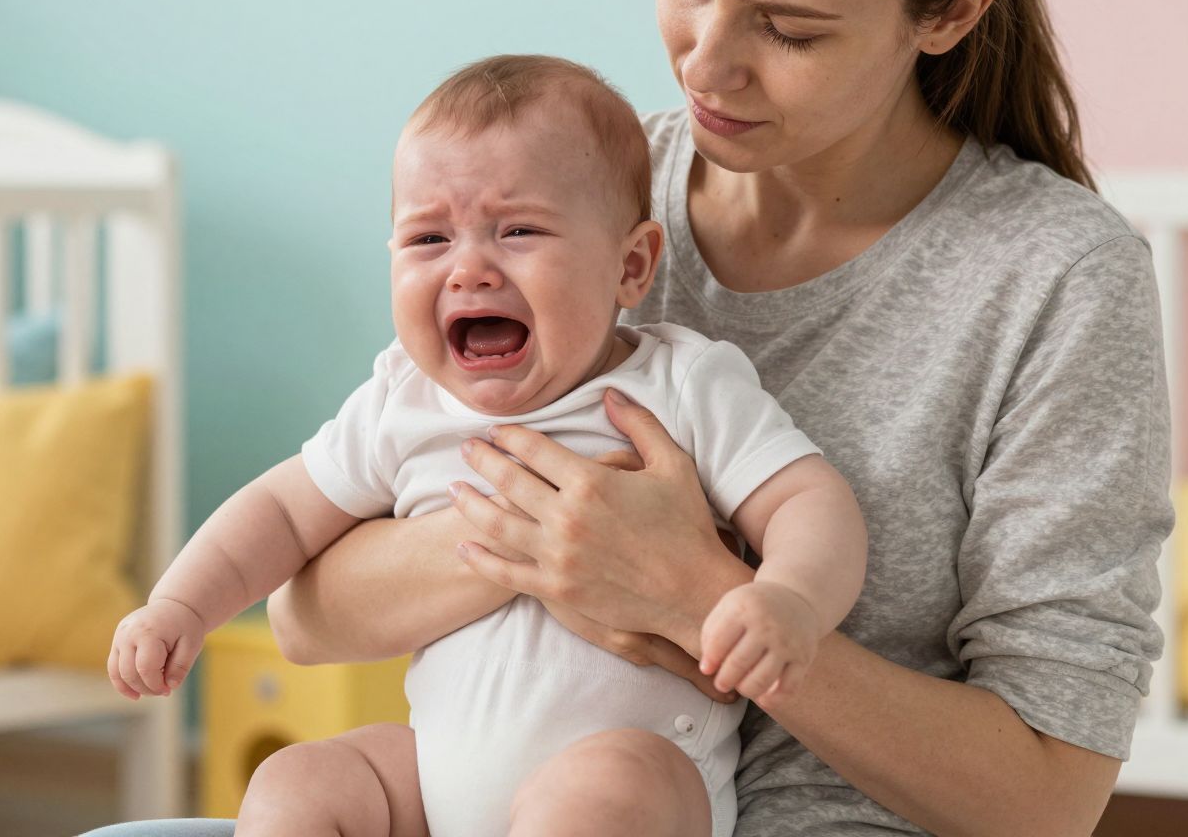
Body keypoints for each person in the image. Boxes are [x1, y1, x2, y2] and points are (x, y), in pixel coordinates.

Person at [86, 0, 1171, 836]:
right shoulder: (571, 204)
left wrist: (693, 592)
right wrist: (546, 539)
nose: (707, 64)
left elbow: (1044, 797)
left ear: (948, 13)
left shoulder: (1051, 280)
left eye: (788, 29)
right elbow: (310, 614)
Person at [108, 55, 867, 837]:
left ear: (631, 265)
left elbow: (808, 500)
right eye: (428, 237)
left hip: (635, 789)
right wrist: (181, 606)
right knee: (300, 781)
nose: (469, 269)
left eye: (519, 230)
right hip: (439, 790)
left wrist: (789, 600)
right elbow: (278, 511)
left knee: (604, 788)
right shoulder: (401, 401)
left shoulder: (680, 385)